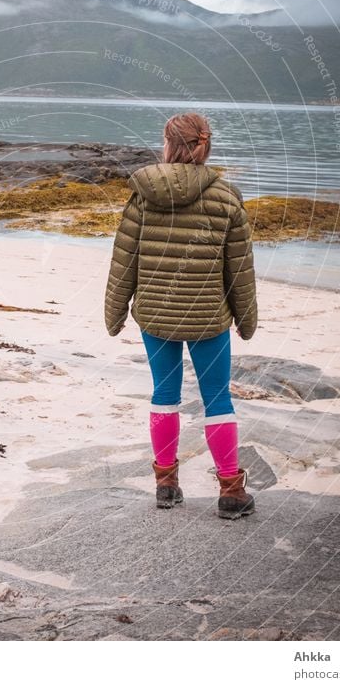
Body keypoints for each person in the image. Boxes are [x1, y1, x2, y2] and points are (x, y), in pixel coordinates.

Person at [104, 112, 258, 518]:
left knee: (164, 395)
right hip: (208, 317)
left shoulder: (142, 195)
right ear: (205, 146)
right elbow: (239, 269)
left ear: (168, 144)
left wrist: (115, 313)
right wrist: (246, 320)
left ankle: (166, 484)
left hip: (156, 315)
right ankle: (230, 490)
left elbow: (125, 261)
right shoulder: (227, 197)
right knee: (218, 399)